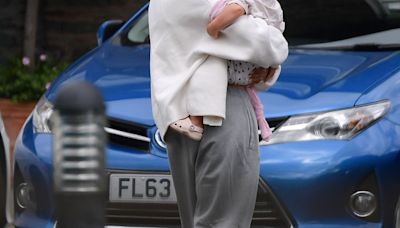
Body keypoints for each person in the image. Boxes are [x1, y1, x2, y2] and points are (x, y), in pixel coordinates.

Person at [149, 0, 288, 227]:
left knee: (195, 219)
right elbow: (267, 45)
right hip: (224, 107)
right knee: (224, 220)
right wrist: (274, 55)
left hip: (175, 111)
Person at [169, 0, 285, 141]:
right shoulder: (273, 6)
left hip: (240, 70)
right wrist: (272, 65)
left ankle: (196, 122)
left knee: (206, 69)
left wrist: (213, 27)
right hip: (254, 66)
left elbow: (236, 9)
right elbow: (278, 35)